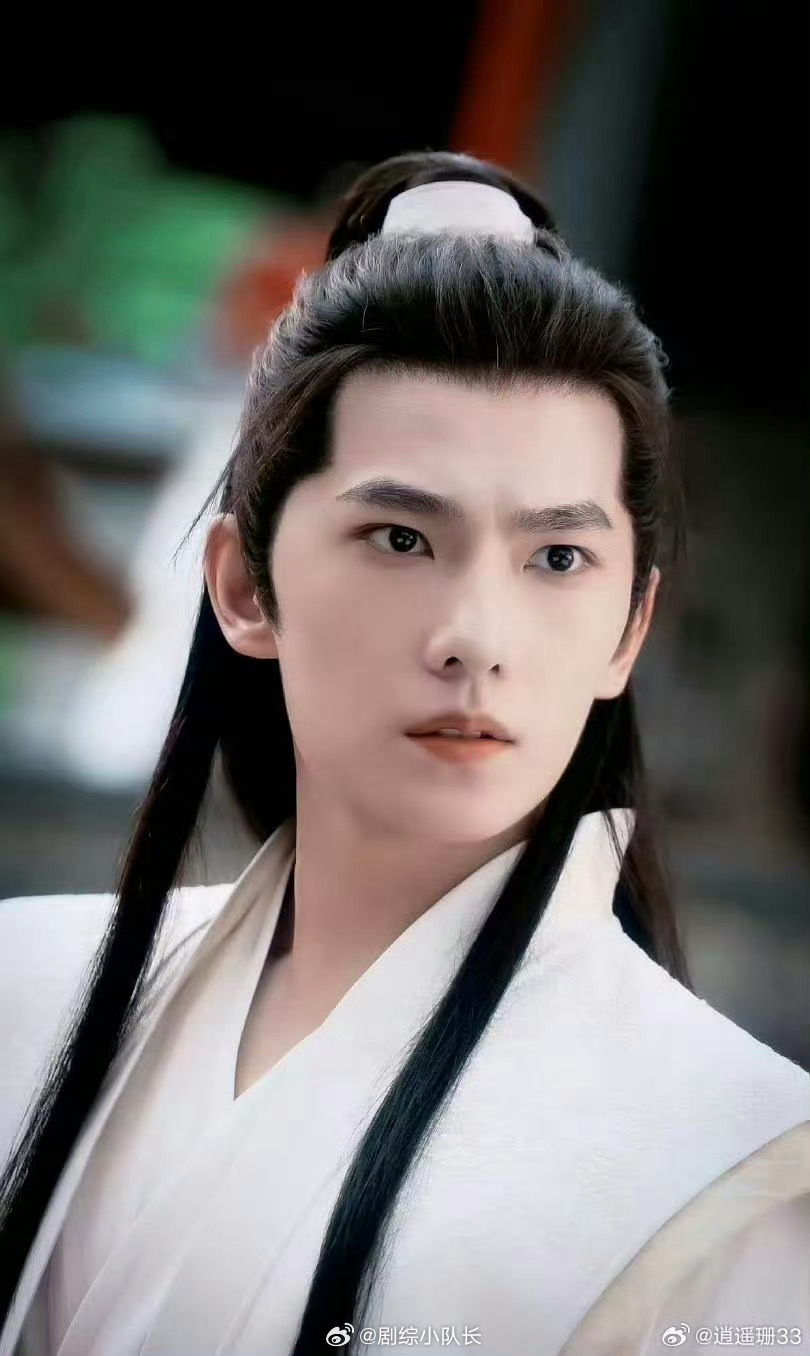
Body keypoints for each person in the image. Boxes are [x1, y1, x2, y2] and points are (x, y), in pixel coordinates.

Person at [0, 152, 807, 1356]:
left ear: (630, 628)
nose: (475, 636)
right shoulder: (22, 989)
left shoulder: (731, 1160)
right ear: (245, 585)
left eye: (557, 559)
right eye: (400, 537)